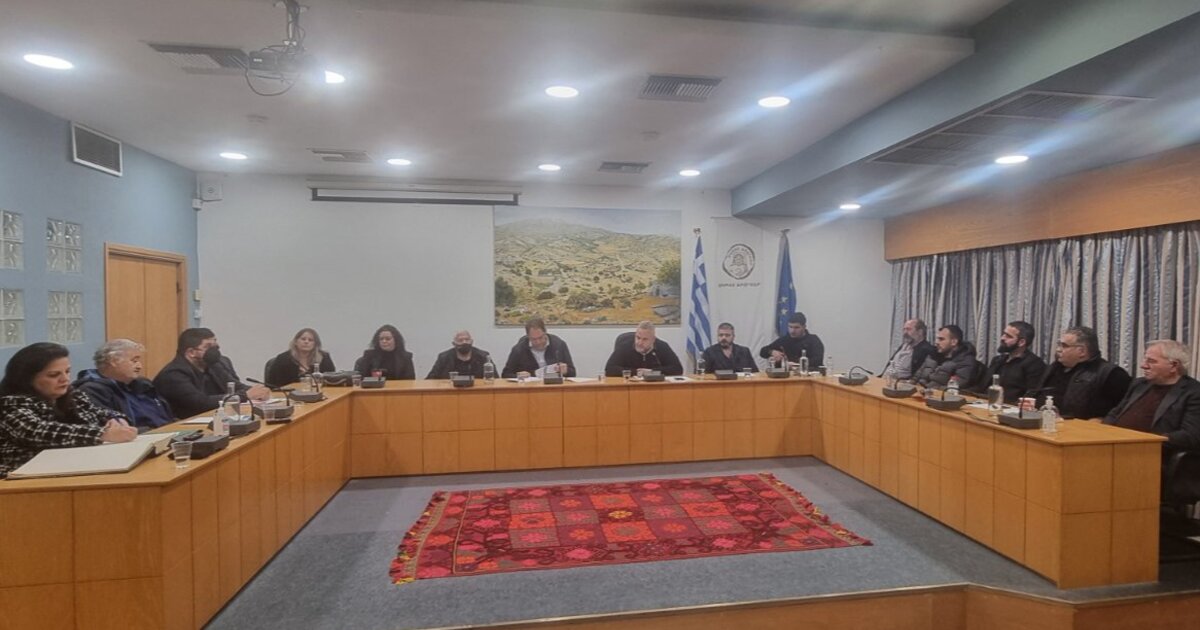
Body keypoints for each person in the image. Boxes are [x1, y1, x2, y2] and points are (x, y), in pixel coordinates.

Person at [0, 342, 137, 477]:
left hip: (78, 468)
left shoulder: (73, 395)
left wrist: (115, 419)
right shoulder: (11, 403)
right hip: (24, 477)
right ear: (27, 378)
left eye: (67, 371)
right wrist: (102, 434)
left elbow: (100, 412)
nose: (65, 379)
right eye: (54, 375)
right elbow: (34, 431)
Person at [1103, 340, 1200, 497]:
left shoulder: (1193, 393)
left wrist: (1146, 441)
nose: (1143, 365)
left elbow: (1190, 435)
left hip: (1154, 457)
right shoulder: (1140, 384)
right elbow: (1115, 413)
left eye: (1151, 361)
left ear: (1173, 366)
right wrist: (1101, 433)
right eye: (1145, 359)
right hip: (1117, 448)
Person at [154, 328, 270, 419]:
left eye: (215, 345)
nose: (215, 351)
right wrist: (245, 395)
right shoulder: (173, 375)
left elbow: (234, 385)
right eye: (208, 347)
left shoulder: (213, 365)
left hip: (216, 419)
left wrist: (258, 392)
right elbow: (200, 403)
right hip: (185, 425)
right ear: (191, 352)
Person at [72, 339, 174, 430]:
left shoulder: (144, 384)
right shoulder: (92, 391)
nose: (139, 366)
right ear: (113, 361)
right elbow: (114, 429)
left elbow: (167, 417)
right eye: (134, 361)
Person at [1036, 326, 1131, 419]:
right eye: (1059, 345)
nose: (1058, 349)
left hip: (1081, 426)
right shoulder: (1055, 367)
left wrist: (1102, 420)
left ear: (1082, 351)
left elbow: (1121, 412)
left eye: (1064, 346)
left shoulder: (1111, 374)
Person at [967, 321, 1047, 403]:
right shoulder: (998, 360)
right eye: (1004, 334)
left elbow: (1032, 396)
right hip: (984, 403)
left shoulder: (1035, 365)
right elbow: (982, 387)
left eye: (1008, 336)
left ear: (1021, 342)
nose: (1002, 338)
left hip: (1011, 407)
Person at [501, 317, 576, 378]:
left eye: (540, 338)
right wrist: (518, 376)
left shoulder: (559, 345)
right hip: (529, 388)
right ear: (528, 336)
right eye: (533, 339)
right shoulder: (519, 349)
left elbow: (573, 373)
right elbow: (505, 374)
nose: (538, 342)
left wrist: (565, 371)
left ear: (545, 332)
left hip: (554, 386)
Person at [604, 321, 683, 377]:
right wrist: (637, 372)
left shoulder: (662, 346)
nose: (639, 342)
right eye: (638, 338)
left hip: (654, 387)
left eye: (645, 339)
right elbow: (610, 369)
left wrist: (652, 372)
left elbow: (677, 369)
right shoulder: (624, 346)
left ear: (653, 340)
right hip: (629, 386)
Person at [913, 324, 978, 388]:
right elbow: (916, 377)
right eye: (937, 339)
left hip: (936, 393)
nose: (936, 342)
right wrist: (911, 383)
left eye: (941, 339)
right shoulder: (933, 355)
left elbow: (954, 387)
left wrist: (927, 390)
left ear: (954, 342)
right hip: (919, 390)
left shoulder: (965, 361)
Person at [266, 328, 336, 387]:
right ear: (296, 342)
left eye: (310, 340)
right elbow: (272, 385)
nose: (306, 342)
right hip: (288, 396)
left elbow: (332, 380)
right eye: (303, 339)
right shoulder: (283, 359)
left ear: (315, 344)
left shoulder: (324, 358)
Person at [759, 312, 824, 369]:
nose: (792, 331)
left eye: (796, 327)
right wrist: (772, 352)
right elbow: (763, 352)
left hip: (809, 374)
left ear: (804, 327)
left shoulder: (813, 340)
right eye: (790, 327)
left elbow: (818, 360)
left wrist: (796, 364)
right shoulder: (784, 340)